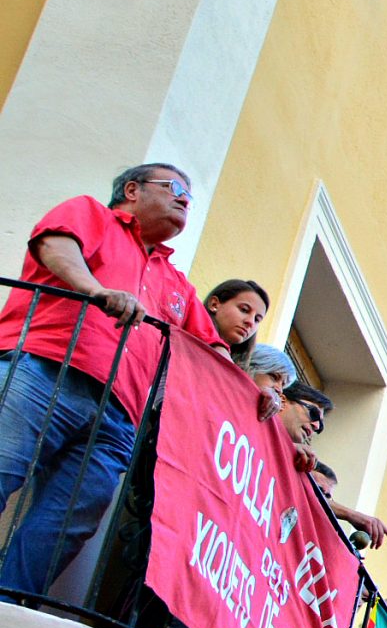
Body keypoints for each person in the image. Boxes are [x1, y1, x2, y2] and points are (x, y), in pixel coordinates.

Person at [0, 163, 237, 590]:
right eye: (175, 188)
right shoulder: (91, 213)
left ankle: (9, 605)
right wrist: (96, 290)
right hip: (45, 368)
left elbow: (211, 349)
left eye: (189, 197)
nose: (184, 199)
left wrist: (256, 397)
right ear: (132, 190)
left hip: (117, 417)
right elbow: (55, 247)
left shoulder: (175, 282)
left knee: (70, 521)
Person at [202, 278, 269, 366]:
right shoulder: (182, 337)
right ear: (214, 304)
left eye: (257, 319)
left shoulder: (240, 374)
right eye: (244, 310)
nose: (250, 322)